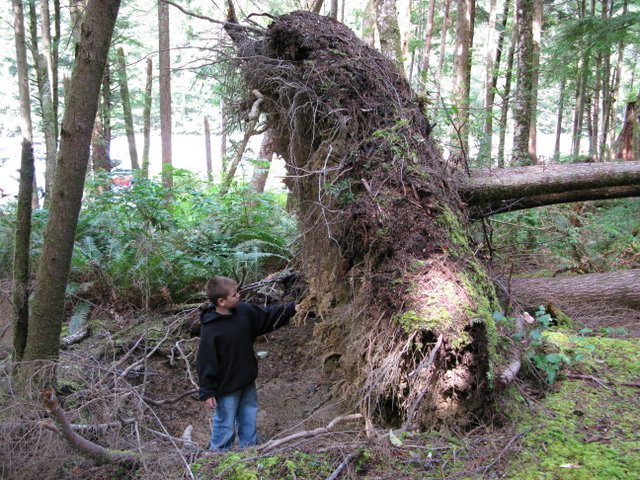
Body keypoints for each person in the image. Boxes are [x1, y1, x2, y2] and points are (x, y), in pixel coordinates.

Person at [197, 275, 296, 451]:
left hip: (247, 379)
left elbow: (267, 316)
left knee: (249, 415)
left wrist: (293, 308)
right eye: (234, 294)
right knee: (225, 422)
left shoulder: (244, 311)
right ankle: (218, 454)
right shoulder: (211, 329)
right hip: (226, 387)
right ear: (221, 301)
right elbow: (206, 361)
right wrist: (207, 392)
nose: (239, 296)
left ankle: (249, 450)